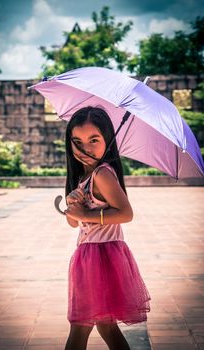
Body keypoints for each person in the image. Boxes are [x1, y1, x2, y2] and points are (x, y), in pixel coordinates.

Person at [64, 106, 150, 350]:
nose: (85, 148)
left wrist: (87, 213)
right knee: (106, 326)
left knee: (80, 327)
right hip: (90, 255)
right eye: (77, 141)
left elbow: (126, 213)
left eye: (94, 140)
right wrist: (74, 205)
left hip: (99, 258)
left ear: (107, 140)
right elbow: (74, 223)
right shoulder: (84, 177)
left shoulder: (102, 174)